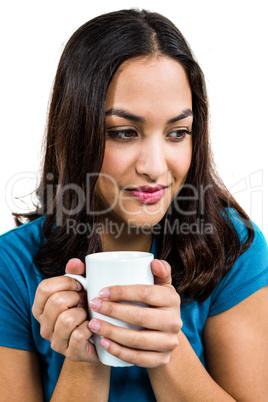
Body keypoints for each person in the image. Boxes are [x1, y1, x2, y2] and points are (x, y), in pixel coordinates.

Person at [0, 8, 268, 401]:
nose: (156, 167)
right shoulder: (12, 266)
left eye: (178, 133)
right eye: (124, 132)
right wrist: (85, 357)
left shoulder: (233, 247)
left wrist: (167, 348)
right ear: (76, 132)